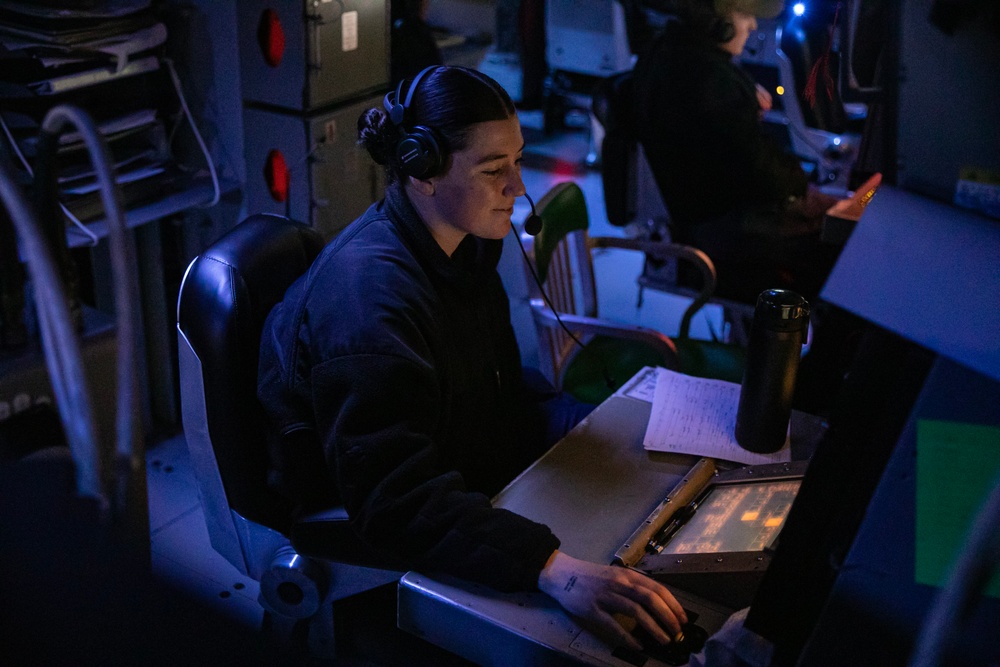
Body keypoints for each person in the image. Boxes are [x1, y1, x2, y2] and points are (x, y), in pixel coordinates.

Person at [257, 65, 687, 651]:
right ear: (422, 169)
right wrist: (551, 568)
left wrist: (600, 421)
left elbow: (498, 387)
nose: (519, 186)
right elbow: (395, 498)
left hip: (471, 468)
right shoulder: (369, 305)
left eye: (517, 160)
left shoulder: (464, 248)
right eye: (493, 170)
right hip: (407, 511)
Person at [632, 0, 842, 304]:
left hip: (703, 218)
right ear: (717, 22)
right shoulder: (708, 78)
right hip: (726, 230)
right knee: (842, 249)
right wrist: (801, 185)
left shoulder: (669, 53)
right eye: (745, 15)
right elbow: (760, 174)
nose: (753, 25)